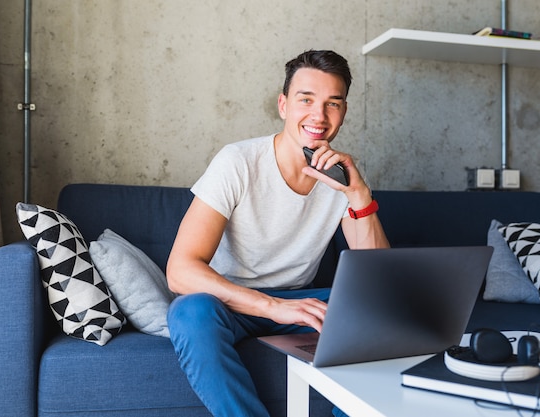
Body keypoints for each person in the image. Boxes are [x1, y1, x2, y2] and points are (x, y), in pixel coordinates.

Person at [166, 49, 390, 417]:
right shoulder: (237, 161)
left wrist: (358, 194)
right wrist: (275, 307)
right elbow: (180, 271)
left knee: (378, 305)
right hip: (229, 303)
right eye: (306, 100)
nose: (319, 115)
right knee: (190, 312)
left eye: (333, 103)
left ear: (343, 112)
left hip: (299, 301)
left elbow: (381, 279)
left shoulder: (341, 175)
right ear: (283, 105)